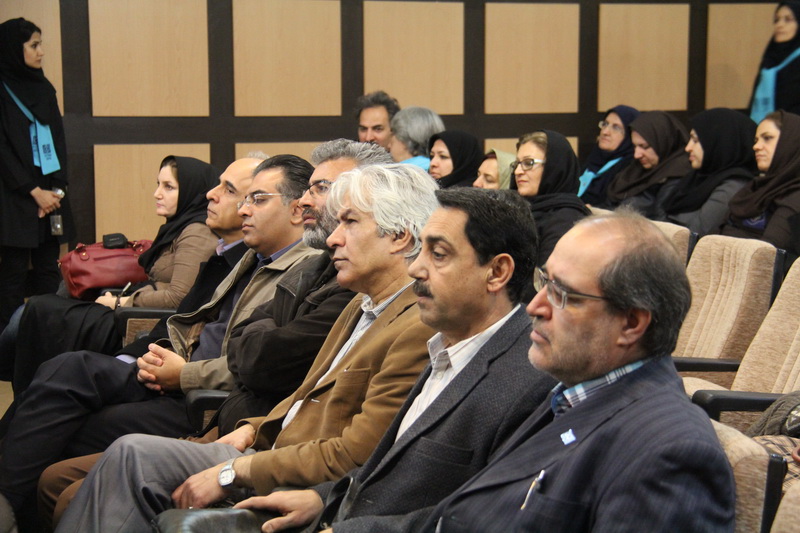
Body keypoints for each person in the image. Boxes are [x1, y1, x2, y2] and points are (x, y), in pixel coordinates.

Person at [55, 163, 440, 532]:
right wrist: (253, 430)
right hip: (263, 442)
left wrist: (236, 470)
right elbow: (302, 397)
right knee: (112, 453)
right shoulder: (361, 302)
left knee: (128, 455)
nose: (333, 238)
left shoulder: (415, 327)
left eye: (350, 222)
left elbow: (355, 454)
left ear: (399, 236)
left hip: (294, 474)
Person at [210, 187, 557, 533]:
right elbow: (393, 472)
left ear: (496, 272)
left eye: (438, 254)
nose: (416, 268)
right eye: (422, 251)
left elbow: (480, 516)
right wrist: (323, 497)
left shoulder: (526, 379)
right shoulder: (447, 344)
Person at [0, 155, 320, 523]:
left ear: (297, 210)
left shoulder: (302, 273)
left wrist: (182, 373)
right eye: (244, 198)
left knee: (58, 421)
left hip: (202, 399)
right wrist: (164, 353)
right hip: (175, 370)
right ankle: (7, 502)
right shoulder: (253, 257)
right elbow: (194, 319)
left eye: (256, 199)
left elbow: (256, 364)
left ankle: (8, 503)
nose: (242, 207)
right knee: (66, 368)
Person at [419, 209, 736, 532]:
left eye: (562, 294)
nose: (535, 306)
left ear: (631, 324)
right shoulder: (570, 390)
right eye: (544, 281)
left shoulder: (669, 455)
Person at [2, 155, 221, 398]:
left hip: (141, 319)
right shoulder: (179, 225)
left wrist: (121, 302)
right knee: (38, 310)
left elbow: (178, 298)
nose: (157, 193)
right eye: (158, 184)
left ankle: (28, 387)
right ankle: (28, 385)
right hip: (132, 309)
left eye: (168, 187)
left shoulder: (197, 232)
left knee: (37, 310)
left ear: (192, 191)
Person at [0, 18, 76, 332]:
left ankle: (49, 337)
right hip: (16, 195)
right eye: (33, 45)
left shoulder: (43, 87)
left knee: (48, 268)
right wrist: (33, 191)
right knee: (13, 273)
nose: (41, 52)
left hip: (50, 195)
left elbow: (58, 139)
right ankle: (9, 343)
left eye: (40, 44)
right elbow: (2, 150)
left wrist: (56, 191)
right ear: (13, 49)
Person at [663, 108, 756, 236]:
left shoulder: (734, 185)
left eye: (695, 140)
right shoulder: (697, 176)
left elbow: (696, 233)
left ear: (720, 142)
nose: (688, 148)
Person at [511, 130, 590, 272]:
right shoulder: (516, 209)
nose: (517, 171)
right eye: (517, 163)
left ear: (554, 167)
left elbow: (546, 279)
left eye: (528, 163)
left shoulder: (566, 218)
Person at [723, 110, 800, 255]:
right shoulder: (755, 187)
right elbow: (709, 241)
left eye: (767, 138)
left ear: (791, 142)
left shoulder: (796, 196)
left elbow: (766, 255)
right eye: (756, 140)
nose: (756, 146)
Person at [606, 111, 692, 220]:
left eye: (644, 146)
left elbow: (663, 221)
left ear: (662, 142)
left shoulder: (677, 174)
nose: (637, 155)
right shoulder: (636, 168)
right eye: (635, 146)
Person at [578, 105, 639, 208]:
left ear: (630, 134)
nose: (605, 132)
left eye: (616, 127)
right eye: (605, 124)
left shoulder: (630, 168)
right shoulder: (593, 157)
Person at [750, 2, 800, 122]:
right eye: (777, 20)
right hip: (764, 128)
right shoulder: (770, 58)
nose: (779, 25)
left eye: (788, 20)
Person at [386, 106, 444, 170]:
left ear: (405, 139)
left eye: (393, 134)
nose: (389, 146)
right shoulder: (441, 169)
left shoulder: (400, 172)